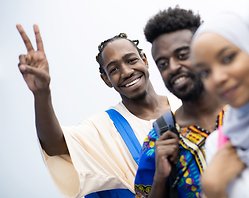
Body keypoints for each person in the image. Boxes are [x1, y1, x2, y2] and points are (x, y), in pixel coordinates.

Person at [16, 25, 181, 198]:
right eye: (114, 69)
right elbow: (54, 145)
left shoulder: (184, 105)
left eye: (131, 60)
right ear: (106, 79)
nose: (126, 72)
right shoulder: (103, 126)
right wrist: (41, 92)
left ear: (145, 60)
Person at [134, 7, 225, 198]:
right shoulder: (158, 139)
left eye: (182, 55)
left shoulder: (243, 107)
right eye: (163, 64)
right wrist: (160, 178)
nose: (173, 67)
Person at [191, 12, 249, 198]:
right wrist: (213, 189)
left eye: (228, 58)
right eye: (205, 72)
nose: (217, 78)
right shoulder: (218, 144)